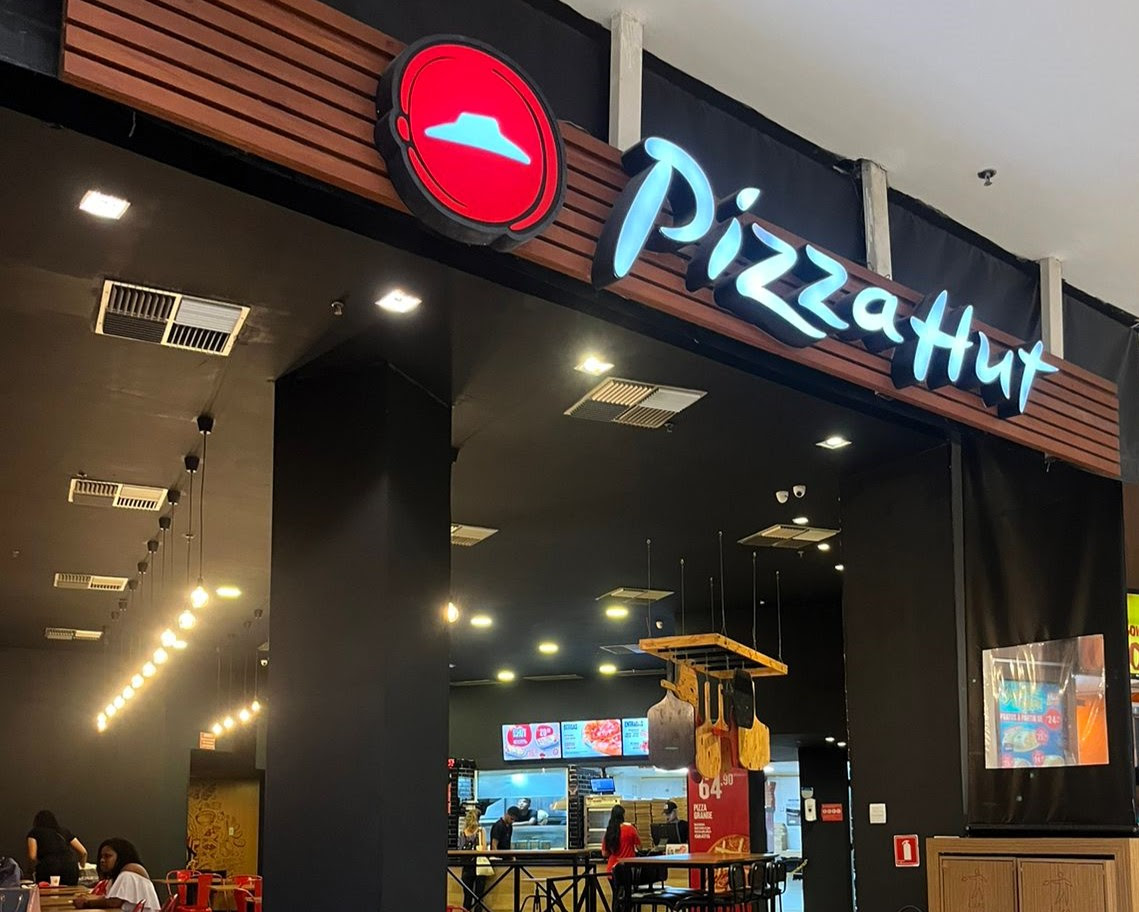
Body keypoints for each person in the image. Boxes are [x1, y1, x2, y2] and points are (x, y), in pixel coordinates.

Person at [71, 839, 160, 911]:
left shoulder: (129, 872)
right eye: (101, 856)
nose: (102, 860)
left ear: (121, 857)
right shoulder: (120, 874)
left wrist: (86, 903)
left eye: (107, 856)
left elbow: (114, 902)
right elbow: (110, 898)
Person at [27, 810, 86, 887]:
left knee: (47, 893)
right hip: (70, 870)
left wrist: (32, 870)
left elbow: (32, 857)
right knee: (69, 893)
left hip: (48, 869)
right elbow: (83, 852)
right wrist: (82, 867)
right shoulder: (64, 831)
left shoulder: (34, 833)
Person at [458, 807, 487, 911]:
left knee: (467, 896)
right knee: (479, 897)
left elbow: (460, 849)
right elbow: (483, 849)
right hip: (479, 865)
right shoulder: (480, 830)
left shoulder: (463, 833)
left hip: (466, 866)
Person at [602, 805, 642, 876]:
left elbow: (604, 853)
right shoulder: (631, 829)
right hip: (628, 869)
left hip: (612, 871)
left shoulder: (609, 831)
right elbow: (639, 847)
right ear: (623, 815)